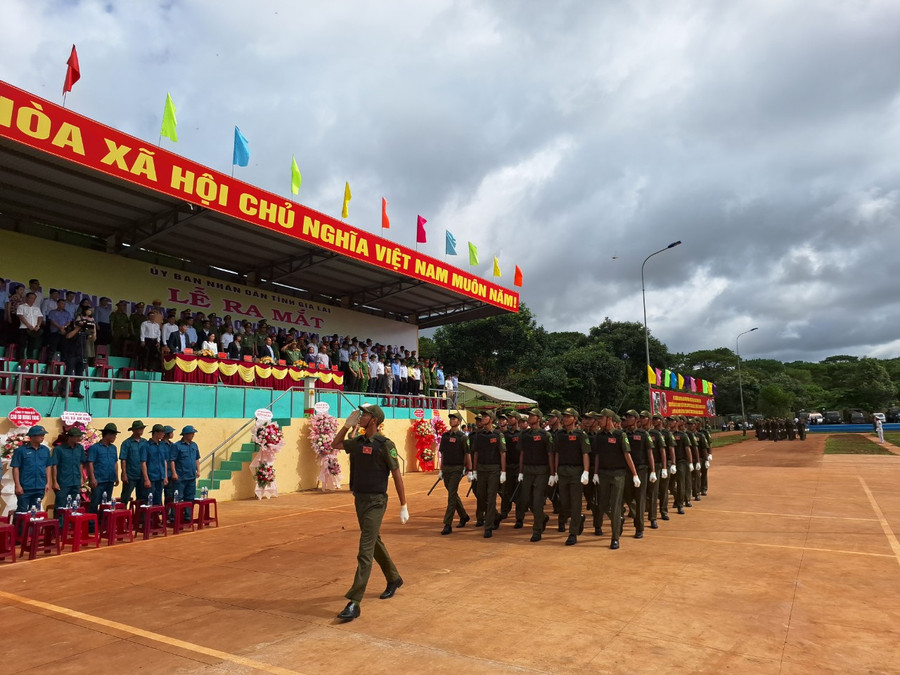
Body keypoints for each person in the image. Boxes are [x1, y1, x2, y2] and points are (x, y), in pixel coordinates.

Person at [330, 403, 408, 622]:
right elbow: (335, 444)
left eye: (364, 414)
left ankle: (355, 601)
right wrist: (346, 426)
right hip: (360, 499)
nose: (360, 416)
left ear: (373, 419)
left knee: (365, 549)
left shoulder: (385, 444)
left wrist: (404, 504)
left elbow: (397, 474)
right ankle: (393, 578)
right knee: (373, 542)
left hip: (376, 501)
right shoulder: (358, 442)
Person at [593, 409, 638, 550]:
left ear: (609, 419)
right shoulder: (599, 436)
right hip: (603, 474)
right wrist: (595, 473)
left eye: (601, 418)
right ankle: (618, 520)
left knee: (616, 504)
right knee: (603, 504)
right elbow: (597, 456)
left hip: (618, 474)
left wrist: (635, 474)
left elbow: (627, 455)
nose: (599, 421)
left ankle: (615, 537)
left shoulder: (620, 435)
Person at [551, 407, 591, 545]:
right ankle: (577, 519)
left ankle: (573, 533)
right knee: (564, 502)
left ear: (574, 418)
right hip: (562, 471)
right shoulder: (559, 435)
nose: (565, 418)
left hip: (576, 472)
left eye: (568, 416)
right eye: (564, 416)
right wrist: (555, 472)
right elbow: (557, 454)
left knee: (575, 503)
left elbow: (585, 454)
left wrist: (586, 471)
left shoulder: (581, 435)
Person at [515, 408, 553, 541]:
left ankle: (537, 530)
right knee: (525, 499)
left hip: (541, 471)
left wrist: (552, 473)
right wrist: (520, 471)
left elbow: (550, 455)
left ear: (539, 419)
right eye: (529, 415)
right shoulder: (524, 435)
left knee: (537, 501)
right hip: (527, 470)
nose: (530, 417)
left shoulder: (545, 435)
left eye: (533, 415)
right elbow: (522, 454)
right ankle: (542, 517)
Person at [469, 411, 506, 538]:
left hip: (494, 469)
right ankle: (495, 516)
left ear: (491, 419)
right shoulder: (479, 435)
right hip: (481, 469)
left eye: (485, 417)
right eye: (482, 416)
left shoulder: (498, 434)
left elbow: (502, 453)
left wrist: (503, 471)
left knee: (491, 497)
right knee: (480, 495)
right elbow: (476, 453)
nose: (482, 419)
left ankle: (488, 526)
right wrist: (473, 471)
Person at [622, 409, 654, 539]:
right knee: (628, 497)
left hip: (641, 469)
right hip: (627, 470)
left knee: (640, 498)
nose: (627, 419)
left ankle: (639, 528)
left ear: (636, 420)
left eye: (630, 417)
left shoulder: (643, 434)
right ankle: (637, 515)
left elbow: (649, 453)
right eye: (627, 417)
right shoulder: (623, 434)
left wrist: (652, 471)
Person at [437, 412, 470, 534]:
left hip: (457, 468)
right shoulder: (445, 436)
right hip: (446, 468)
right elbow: (443, 454)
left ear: (459, 421)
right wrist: (441, 470)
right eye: (451, 418)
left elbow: (467, 453)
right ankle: (464, 515)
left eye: (454, 418)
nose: (451, 420)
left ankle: (447, 524)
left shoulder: (463, 437)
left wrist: (467, 468)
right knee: (452, 493)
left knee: (451, 496)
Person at [11, 425, 52, 512]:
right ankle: (19, 526)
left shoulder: (45, 450)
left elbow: (48, 467)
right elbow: (15, 468)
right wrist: (17, 485)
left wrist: (48, 483)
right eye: (40, 435)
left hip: (40, 487)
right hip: (25, 487)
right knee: (22, 511)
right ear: (32, 436)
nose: (42, 437)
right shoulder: (20, 451)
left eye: (43, 435)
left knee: (35, 512)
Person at [52, 427, 86, 521]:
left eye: (79, 436)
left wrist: (81, 478)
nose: (79, 438)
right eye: (77, 436)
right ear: (70, 437)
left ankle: (70, 525)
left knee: (74, 505)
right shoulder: (58, 449)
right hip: (63, 482)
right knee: (60, 506)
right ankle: (59, 526)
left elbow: (80, 463)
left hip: (75, 481)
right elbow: (54, 465)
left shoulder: (79, 448)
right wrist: (54, 481)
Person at [170, 425, 201, 523]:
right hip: (180, 477)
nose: (193, 435)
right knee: (178, 498)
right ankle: (174, 517)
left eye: (193, 434)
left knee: (190, 497)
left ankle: (188, 517)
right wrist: (174, 473)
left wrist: (198, 470)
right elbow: (172, 460)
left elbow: (197, 459)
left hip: (191, 476)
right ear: (185, 434)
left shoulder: (194, 445)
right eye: (191, 433)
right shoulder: (177, 446)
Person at [87, 423, 121, 514]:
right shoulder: (95, 448)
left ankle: (103, 523)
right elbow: (90, 463)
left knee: (106, 504)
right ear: (107, 435)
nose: (115, 437)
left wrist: (116, 477)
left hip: (110, 480)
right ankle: (92, 525)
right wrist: (92, 478)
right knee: (95, 502)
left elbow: (115, 463)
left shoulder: (113, 448)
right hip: (99, 480)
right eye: (114, 435)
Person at [119, 420, 148, 502]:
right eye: (139, 429)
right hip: (130, 475)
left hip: (142, 475)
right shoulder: (126, 443)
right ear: (133, 430)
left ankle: (140, 514)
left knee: (142, 498)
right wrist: (124, 473)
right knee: (125, 497)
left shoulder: (145, 442)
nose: (141, 430)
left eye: (142, 429)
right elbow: (123, 459)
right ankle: (123, 513)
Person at [144, 424, 169, 505]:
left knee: (158, 499)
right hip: (151, 477)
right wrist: (146, 479)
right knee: (149, 499)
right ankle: (148, 517)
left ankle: (156, 516)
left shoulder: (162, 445)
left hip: (160, 477)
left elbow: (164, 461)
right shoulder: (146, 446)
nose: (163, 434)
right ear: (155, 433)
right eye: (162, 432)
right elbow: (143, 463)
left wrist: (165, 476)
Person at [17, 291, 43, 360]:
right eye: (30, 298)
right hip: (24, 328)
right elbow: (21, 316)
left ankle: (30, 359)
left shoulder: (37, 308)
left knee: (32, 345)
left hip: (34, 329)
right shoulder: (21, 306)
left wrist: (38, 326)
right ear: (26, 298)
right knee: (22, 345)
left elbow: (40, 317)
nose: (32, 300)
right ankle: (21, 359)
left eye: (34, 298)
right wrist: (28, 325)